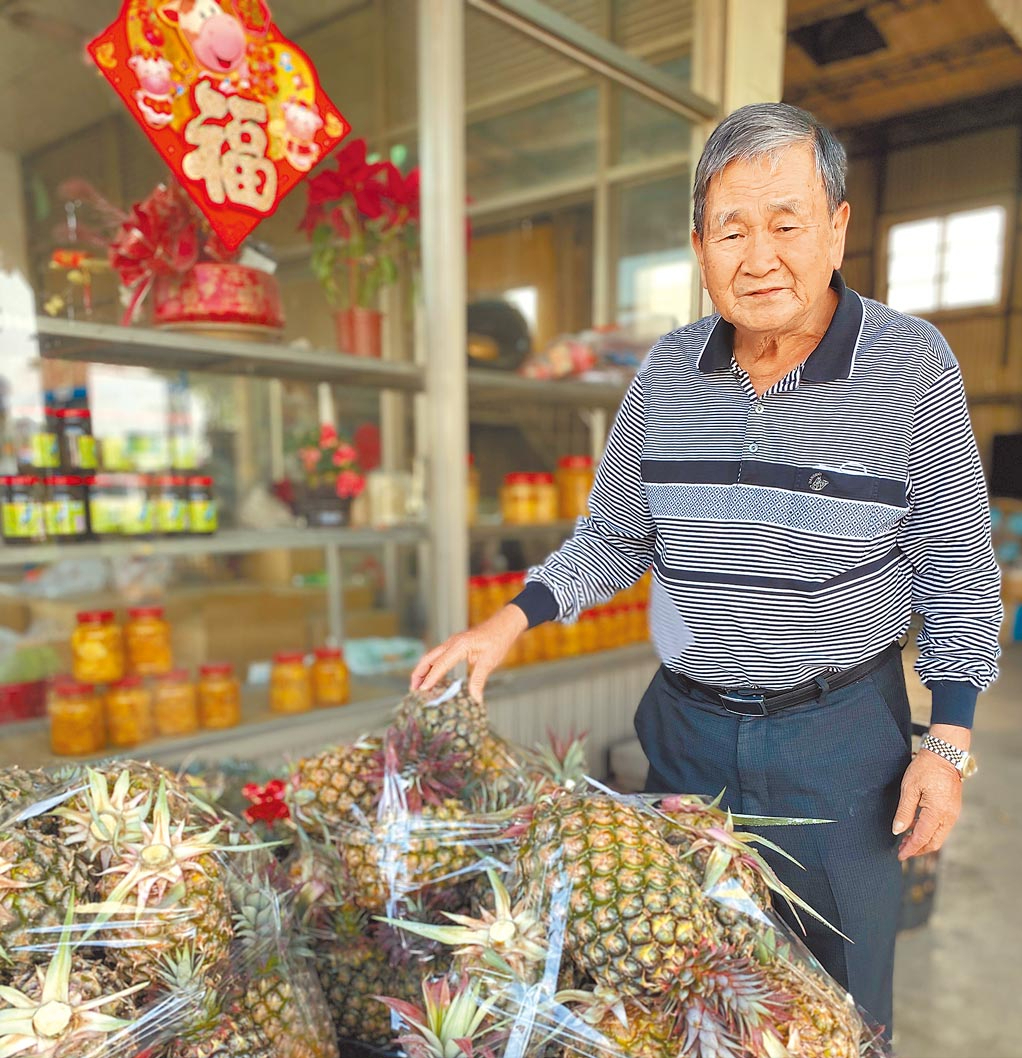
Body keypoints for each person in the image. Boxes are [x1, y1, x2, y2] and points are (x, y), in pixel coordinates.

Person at [410, 102, 1002, 1033]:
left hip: (840, 743)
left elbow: (956, 571)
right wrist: (509, 619)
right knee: (680, 992)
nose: (758, 257)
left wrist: (949, 742)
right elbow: (615, 536)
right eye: (731, 230)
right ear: (698, 246)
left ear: (838, 226)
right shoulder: (667, 373)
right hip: (688, 737)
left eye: (786, 223)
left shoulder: (909, 366)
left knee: (839, 1013)